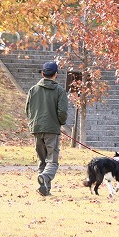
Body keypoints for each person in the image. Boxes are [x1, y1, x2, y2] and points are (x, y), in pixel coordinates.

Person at [25, 61, 68, 196]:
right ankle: (45, 178)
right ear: (55, 74)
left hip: (37, 129)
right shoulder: (59, 91)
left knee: (42, 160)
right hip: (52, 130)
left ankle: (45, 189)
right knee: (52, 161)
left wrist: (34, 124)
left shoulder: (33, 90)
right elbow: (62, 112)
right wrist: (59, 123)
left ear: (43, 73)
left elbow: (28, 110)